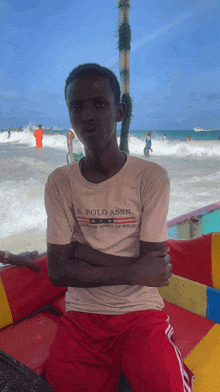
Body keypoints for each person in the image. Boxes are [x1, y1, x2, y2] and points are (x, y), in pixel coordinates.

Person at [44, 63, 194, 392]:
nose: (87, 115)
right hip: (82, 317)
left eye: (99, 104)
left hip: (140, 314)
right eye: (77, 106)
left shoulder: (150, 177)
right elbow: (58, 271)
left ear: (119, 111)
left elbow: (153, 262)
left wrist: (80, 251)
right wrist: (134, 271)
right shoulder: (60, 182)